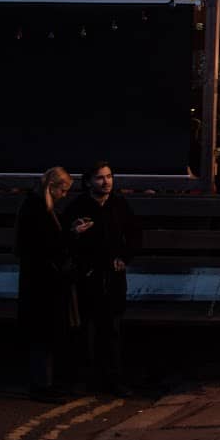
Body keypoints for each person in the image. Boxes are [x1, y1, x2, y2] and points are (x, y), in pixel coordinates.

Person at [65, 161, 143, 396]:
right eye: (100, 177)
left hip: (112, 275)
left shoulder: (118, 204)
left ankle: (113, 379)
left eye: (109, 176)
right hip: (88, 275)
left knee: (112, 329)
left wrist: (125, 257)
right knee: (85, 330)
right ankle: (85, 379)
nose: (106, 181)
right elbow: (65, 240)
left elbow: (134, 234)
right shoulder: (78, 206)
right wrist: (74, 234)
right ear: (89, 182)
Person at [16, 167, 83, 402]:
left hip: (40, 281)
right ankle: (42, 385)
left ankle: (45, 382)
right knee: (43, 334)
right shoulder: (38, 210)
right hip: (43, 283)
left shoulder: (36, 206)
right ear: (52, 187)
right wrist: (72, 234)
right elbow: (48, 246)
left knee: (44, 334)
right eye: (63, 190)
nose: (65, 195)